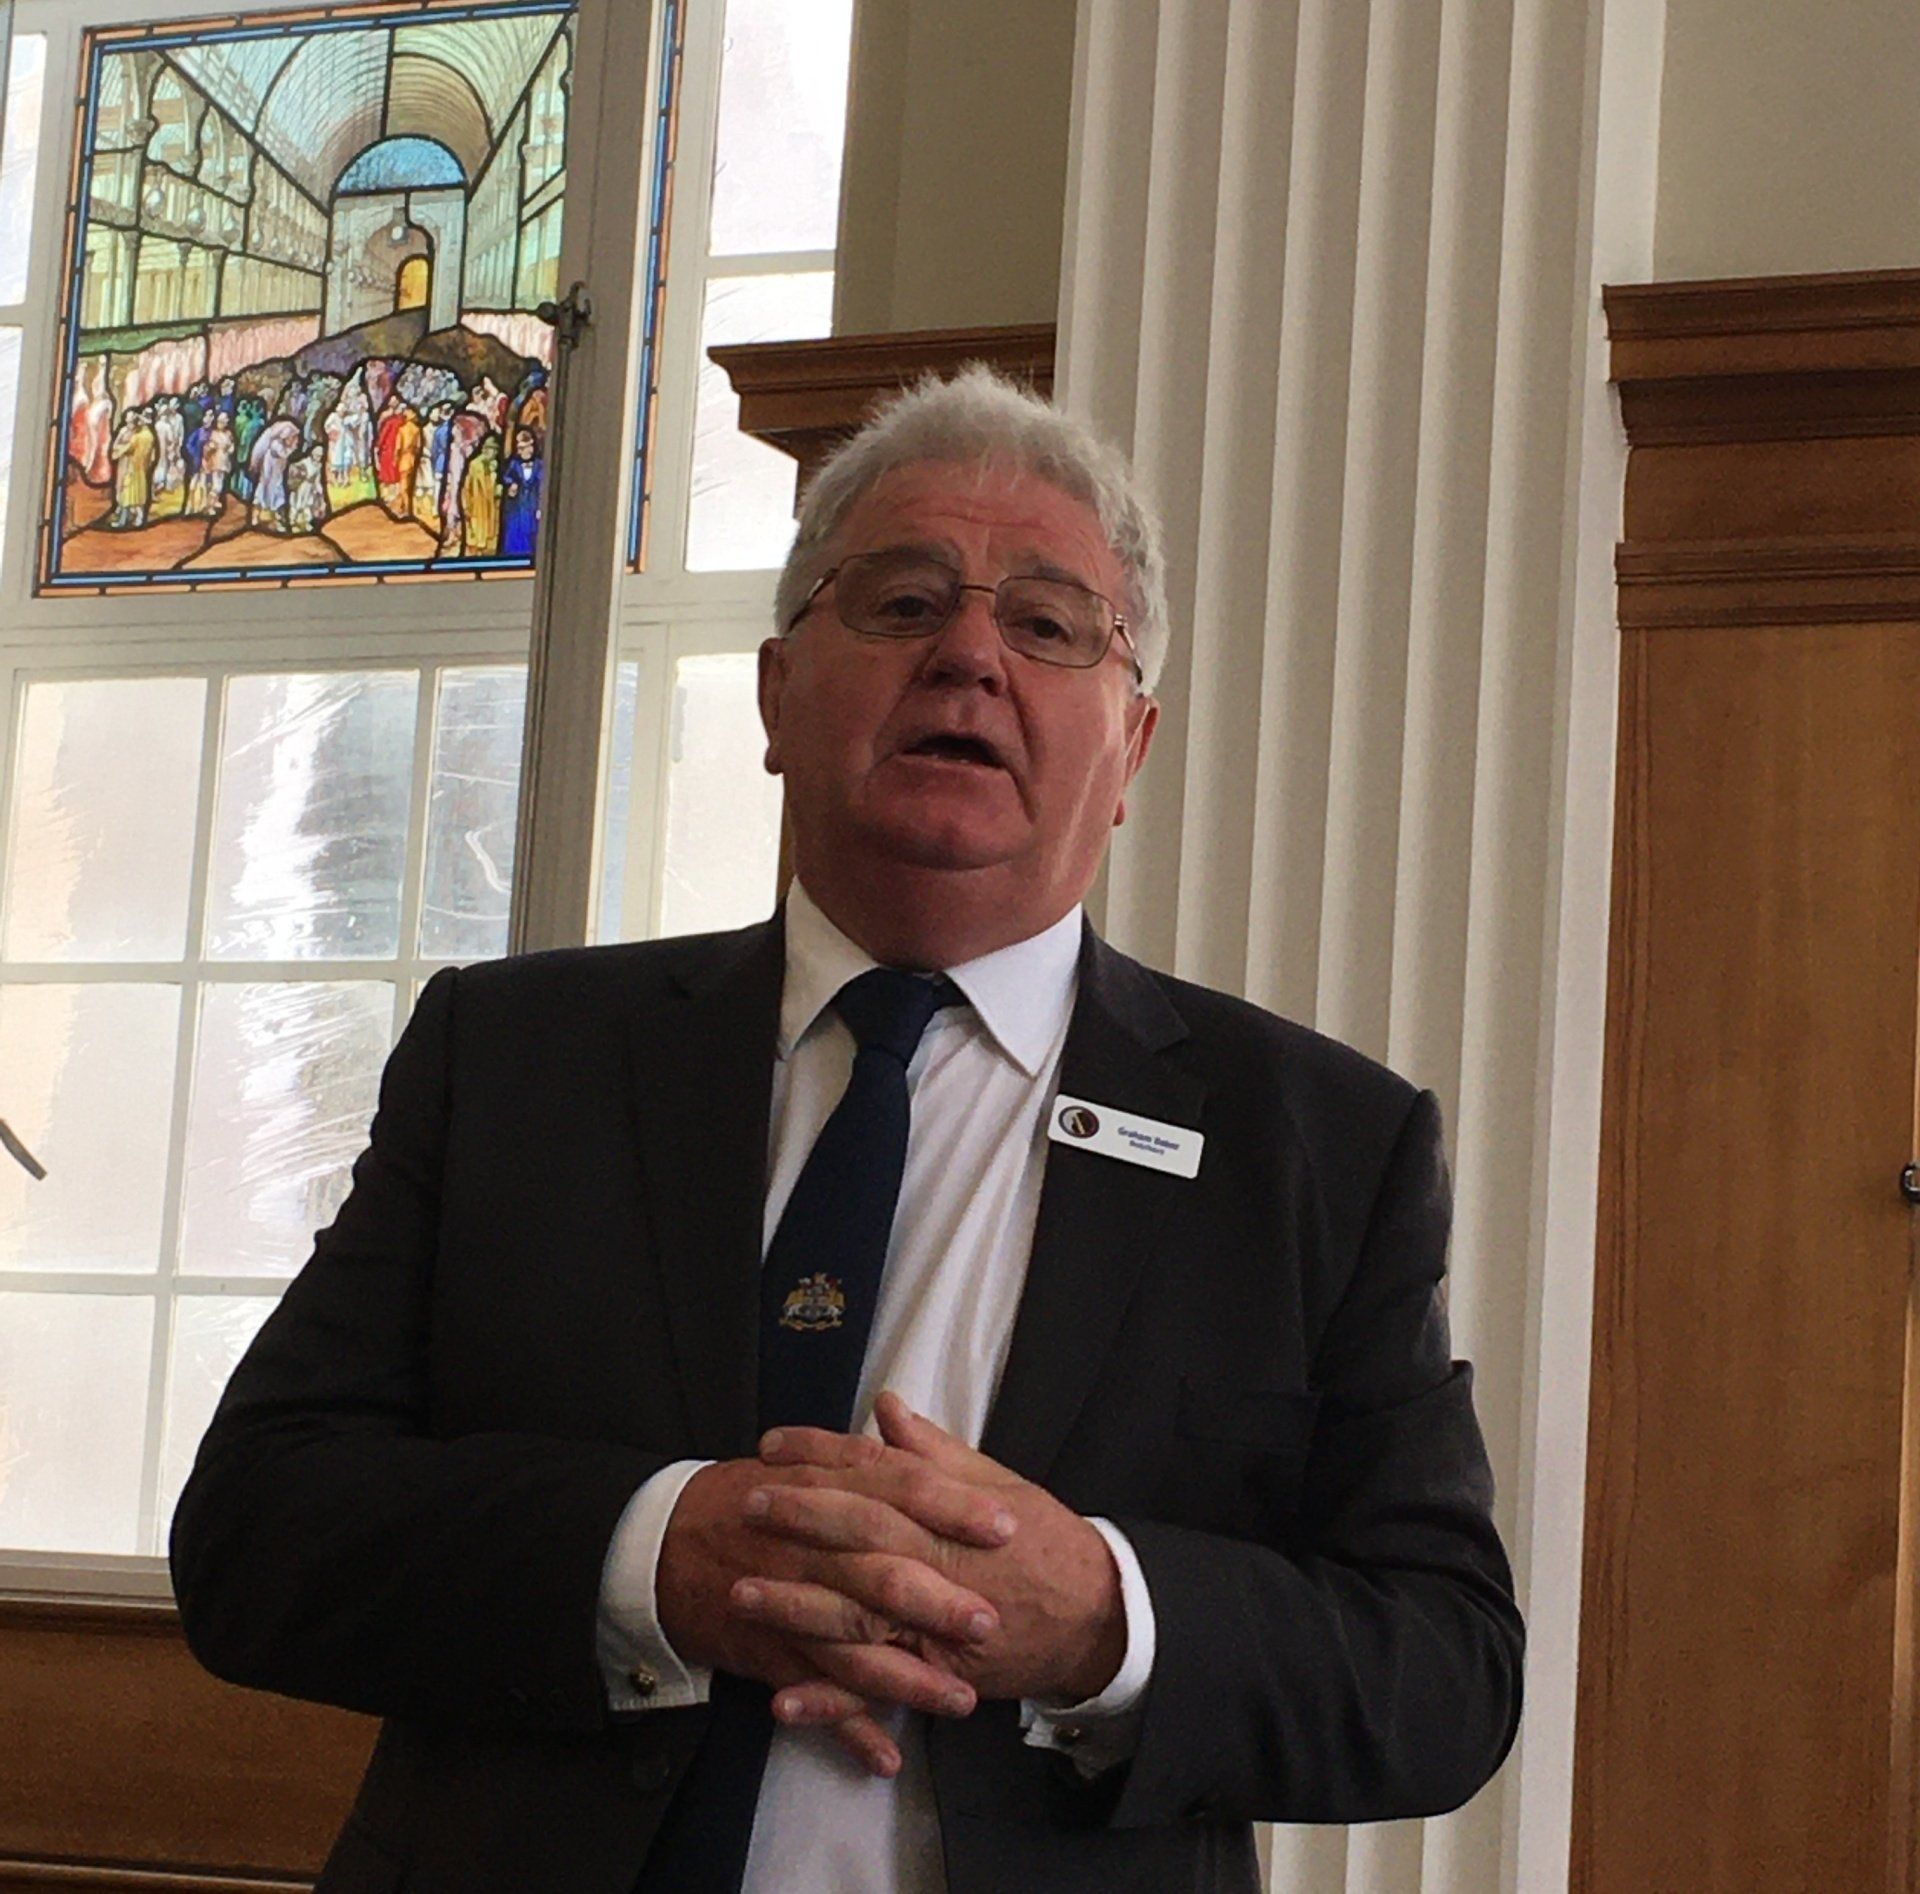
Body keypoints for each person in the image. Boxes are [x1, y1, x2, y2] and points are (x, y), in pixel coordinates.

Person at [171, 367, 1522, 1894]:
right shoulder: (515, 1058)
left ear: (1131, 748)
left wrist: (1104, 1615)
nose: (969, 655)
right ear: (773, 693)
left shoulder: (1317, 1146)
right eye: (903, 601)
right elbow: (254, 1532)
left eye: (1049, 624)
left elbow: (1447, 1667)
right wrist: (651, 1555)